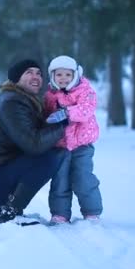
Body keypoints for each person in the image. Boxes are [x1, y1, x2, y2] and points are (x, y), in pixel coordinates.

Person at [0, 59, 70, 224]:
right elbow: (34, 144)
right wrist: (63, 124)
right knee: (51, 156)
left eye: (38, 73)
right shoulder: (11, 103)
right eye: (29, 73)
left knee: (50, 152)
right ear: (16, 78)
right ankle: (10, 211)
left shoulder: (22, 100)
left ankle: (7, 207)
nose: (36, 77)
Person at [43, 55, 103, 224]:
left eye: (68, 75)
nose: (63, 78)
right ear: (52, 76)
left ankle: (92, 212)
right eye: (59, 75)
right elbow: (45, 114)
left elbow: (86, 110)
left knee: (83, 178)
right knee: (60, 180)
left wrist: (67, 113)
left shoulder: (86, 91)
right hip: (60, 146)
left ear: (75, 75)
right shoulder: (50, 95)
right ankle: (60, 214)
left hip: (81, 145)